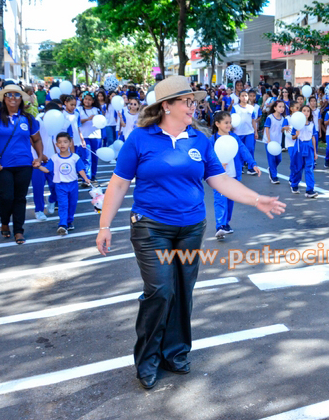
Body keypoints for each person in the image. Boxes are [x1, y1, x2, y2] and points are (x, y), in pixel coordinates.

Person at [95, 76, 284, 390]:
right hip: (150, 226)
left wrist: (255, 198)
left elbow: (220, 180)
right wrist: (104, 225)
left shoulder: (199, 139)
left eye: (194, 101)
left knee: (183, 290)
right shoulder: (140, 138)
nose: (193, 106)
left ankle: (176, 352)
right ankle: (148, 359)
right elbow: (118, 183)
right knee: (160, 290)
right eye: (186, 101)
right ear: (166, 106)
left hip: (191, 227)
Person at [0, 84, 45, 244]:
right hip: (1, 165)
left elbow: (37, 139)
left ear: (21, 99)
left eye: (16, 95)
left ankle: (18, 230)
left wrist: (39, 157)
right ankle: (4, 222)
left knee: (20, 198)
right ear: (4, 98)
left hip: (24, 164)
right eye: (8, 94)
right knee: (6, 197)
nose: (12, 98)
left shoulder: (28, 119)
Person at [211, 110, 262, 239]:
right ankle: (220, 226)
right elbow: (209, 157)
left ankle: (226, 223)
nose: (229, 125)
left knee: (229, 201)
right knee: (220, 200)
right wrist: (218, 164)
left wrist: (253, 164)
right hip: (218, 177)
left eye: (230, 122)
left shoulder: (234, 138)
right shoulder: (212, 140)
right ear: (217, 124)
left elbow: (244, 151)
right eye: (226, 123)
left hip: (233, 175)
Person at [34, 132, 91, 235]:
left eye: (65, 142)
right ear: (56, 145)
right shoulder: (54, 158)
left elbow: (80, 169)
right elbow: (47, 169)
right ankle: (62, 224)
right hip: (60, 185)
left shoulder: (75, 157)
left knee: (72, 204)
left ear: (70, 143)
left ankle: (69, 221)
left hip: (73, 185)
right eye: (59, 142)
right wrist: (38, 166)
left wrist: (85, 178)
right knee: (63, 204)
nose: (62, 144)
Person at [290, 104, 318, 198]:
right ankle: (294, 184)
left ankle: (310, 189)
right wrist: (296, 134)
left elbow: (313, 138)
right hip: (299, 147)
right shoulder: (297, 124)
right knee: (298, 168)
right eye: (304, 110)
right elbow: (293, 137)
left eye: (308, 111)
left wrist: (315, 152)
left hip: (309, 147)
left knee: (309, 168)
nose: (306, 113)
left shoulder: (312, 125)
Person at [78, 92, 103, 181]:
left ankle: (93, 175)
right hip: (84, 136)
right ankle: (87, 178)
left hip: (96, 136)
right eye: (86, 99)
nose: (87, 101)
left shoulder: (97, 110)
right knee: (86, 157)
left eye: (89, 99)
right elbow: (77, 122)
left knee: (94, 157)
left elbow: (102, 121)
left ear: (93, 101)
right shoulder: (79, 109)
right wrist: (88, 119)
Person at [264, 100, 288, 184]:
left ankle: (271, 168)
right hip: (269, 142)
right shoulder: (270, 117)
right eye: (280, 107)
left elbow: (281, 130)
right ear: (275, 108)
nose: (282, 109)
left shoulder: (283, 119)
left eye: (283, 107)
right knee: (271, 159)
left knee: (279, 159)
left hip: (277, 143)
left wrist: (284, 128)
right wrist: (269, 140)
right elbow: (267, 128)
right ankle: (274, 177)